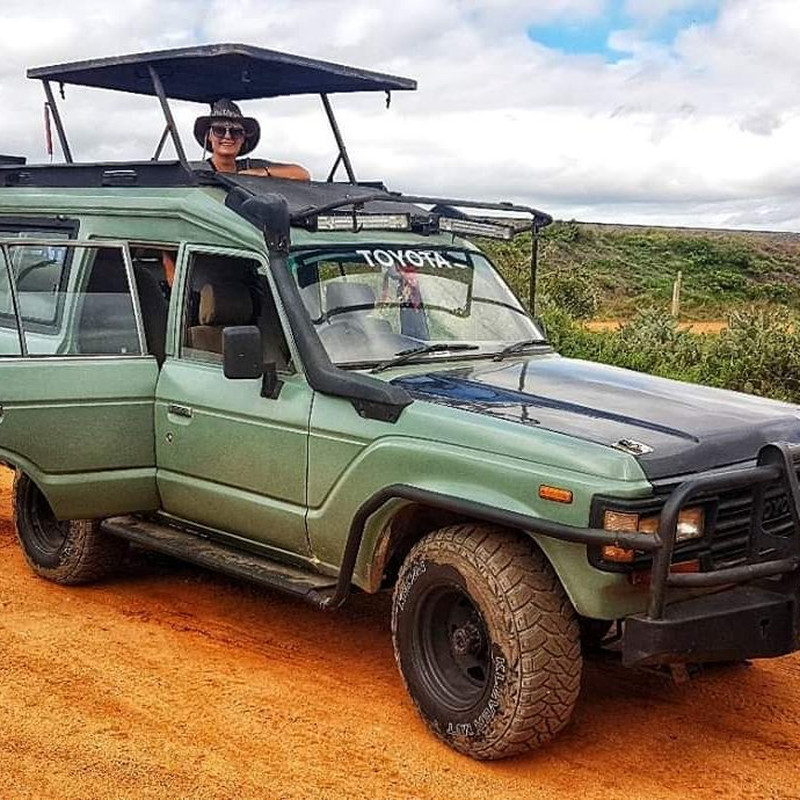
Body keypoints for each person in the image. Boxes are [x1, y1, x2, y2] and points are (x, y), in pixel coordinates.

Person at [193, 99, 310, 180]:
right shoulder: (196, 171)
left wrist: (265, 172)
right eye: (219, 131)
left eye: (236, 132)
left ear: (243, 138)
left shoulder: (251, 166)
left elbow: (302, 174)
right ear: (209, 136)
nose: (227, 136)